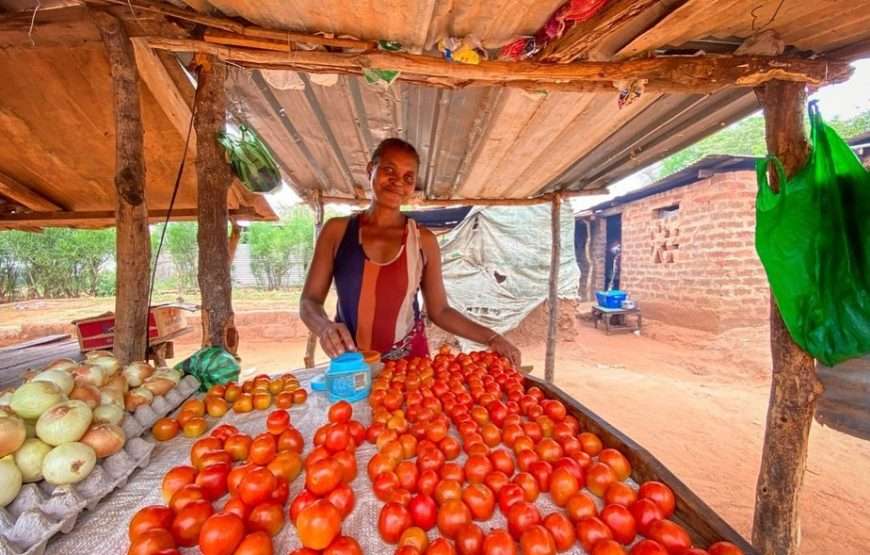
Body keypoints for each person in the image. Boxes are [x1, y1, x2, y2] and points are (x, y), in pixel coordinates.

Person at [300, 138, 521, 367]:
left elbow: (440, 310)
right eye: (389, 170)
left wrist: (492, 337)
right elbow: (309, 301)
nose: (398, 182)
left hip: (411, 367)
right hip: (351, 362)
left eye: (408, 177)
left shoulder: (423, 241)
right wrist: (324, 327)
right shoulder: (337, 231)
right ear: (370, 170)